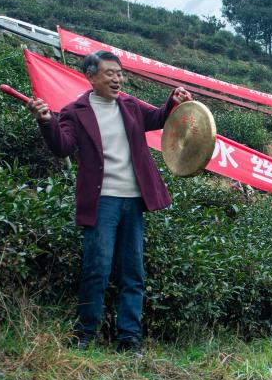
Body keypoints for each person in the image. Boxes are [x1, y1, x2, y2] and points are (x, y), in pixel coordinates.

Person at [28, 50, 193, 353]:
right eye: (110, 73)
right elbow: (62, 146)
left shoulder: (130, 105)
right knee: (97, 269)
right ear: (91, 77)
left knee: (133, 273)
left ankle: (129, 338)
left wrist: (173, 101)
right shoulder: (76, 111)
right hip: (102, 201)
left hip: (133, 201)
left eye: (119, 73)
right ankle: (84, 334)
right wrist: (47, 121)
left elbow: (158, 117)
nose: (117, 79)